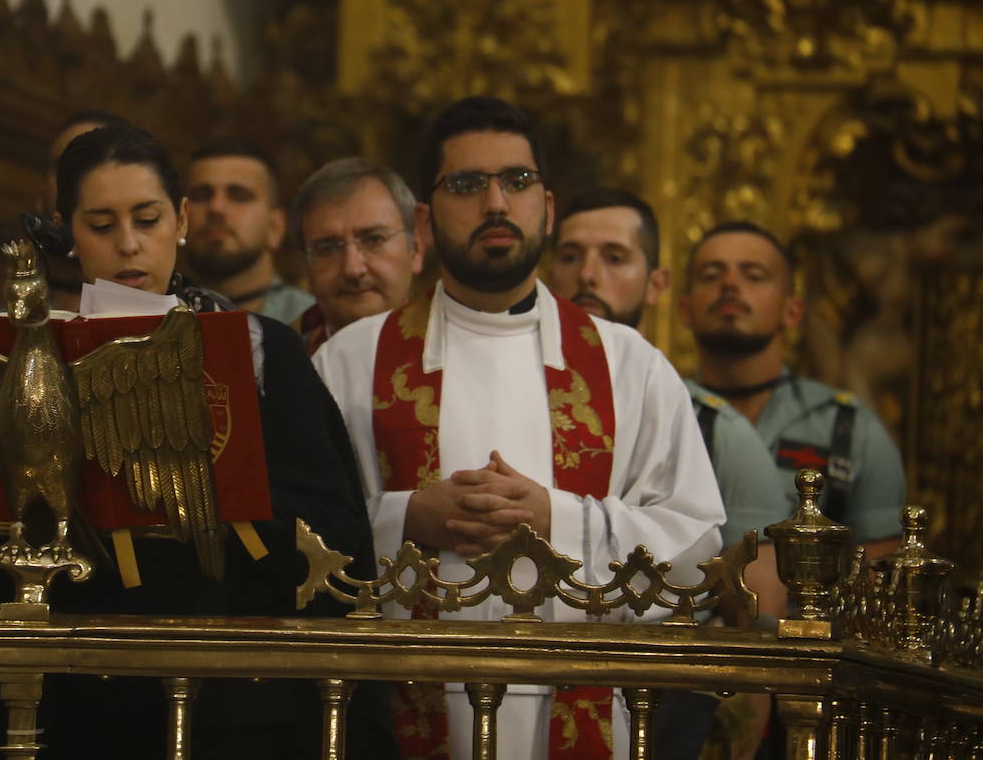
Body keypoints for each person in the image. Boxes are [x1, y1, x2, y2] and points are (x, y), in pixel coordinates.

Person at [0, 123, 396, 759]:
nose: (129, 244)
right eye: (100, 225)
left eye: (148, 218)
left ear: (180, 219)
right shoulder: (25, 360)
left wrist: (210, 512)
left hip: (234, 693)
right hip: (80, 698)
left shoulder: (262, 351)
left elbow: (335, 528)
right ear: (65, 231)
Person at [312, 97, 724, 760]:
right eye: (468, 185)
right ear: (423, 219)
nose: (496, 204)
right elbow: (298, 539)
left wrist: (559, 520)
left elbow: (696, 548)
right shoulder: (351, 361)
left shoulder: (630, 367)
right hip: (395, 717)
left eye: (518, 182)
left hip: (588, 715)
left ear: (548, 208)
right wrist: (408, 518)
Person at [550, 190, 791, 760]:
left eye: (614, 257)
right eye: (569, 256)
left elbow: (756, 617)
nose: (588, 276)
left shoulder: (716, 431)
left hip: (660, 704)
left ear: (656, 285)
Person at [679, 221, 907, 559]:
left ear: (792, 311)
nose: (729, 284)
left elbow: (876, 577)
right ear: (685, 310)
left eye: (753, 276)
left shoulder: (850, 427)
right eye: (711, 276)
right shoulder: (656, 416)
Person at [290, 158, 425, 354]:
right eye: (327, 249)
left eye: (373, 239)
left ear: (415, 248)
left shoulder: (461, 351)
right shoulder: (269, 368)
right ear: (305, 266)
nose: (353, 269)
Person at [184, 138, 314, 322]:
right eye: (201, 196)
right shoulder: (158, 321)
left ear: (275, 227)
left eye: (239, 196)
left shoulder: (311, 321)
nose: (216, 208)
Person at [33, 109, 128, 311]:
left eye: (95, 166)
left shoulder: (186, 325)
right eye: (67, 168)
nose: (80, 184)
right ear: (40, 198)